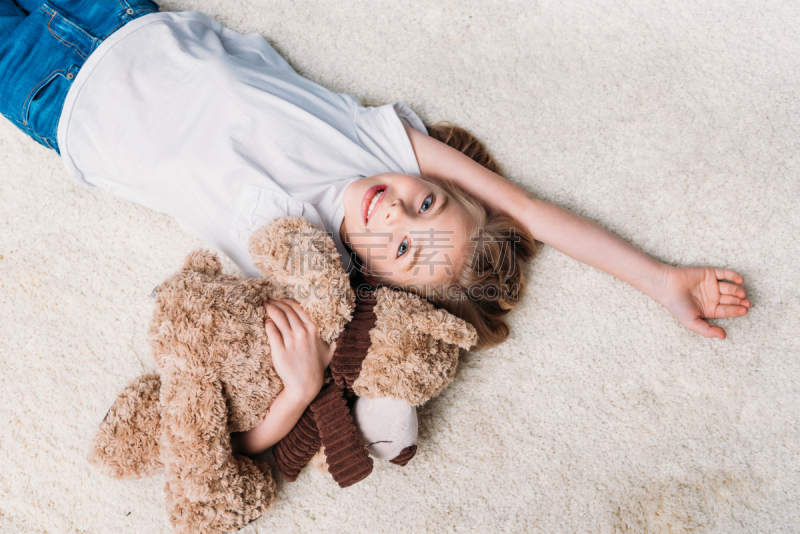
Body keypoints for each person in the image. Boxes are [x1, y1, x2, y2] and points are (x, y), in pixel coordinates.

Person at [0, 2, 751, 456]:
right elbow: (529, 212)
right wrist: (661, 279)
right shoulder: (382, 147)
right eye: (427, 205)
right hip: (127, 20)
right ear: (439, 177)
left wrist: (295, 396)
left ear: (374, 284)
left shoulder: (302, 269)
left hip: (57, 101)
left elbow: (211, 441)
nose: (394, 212)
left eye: (400, 247)